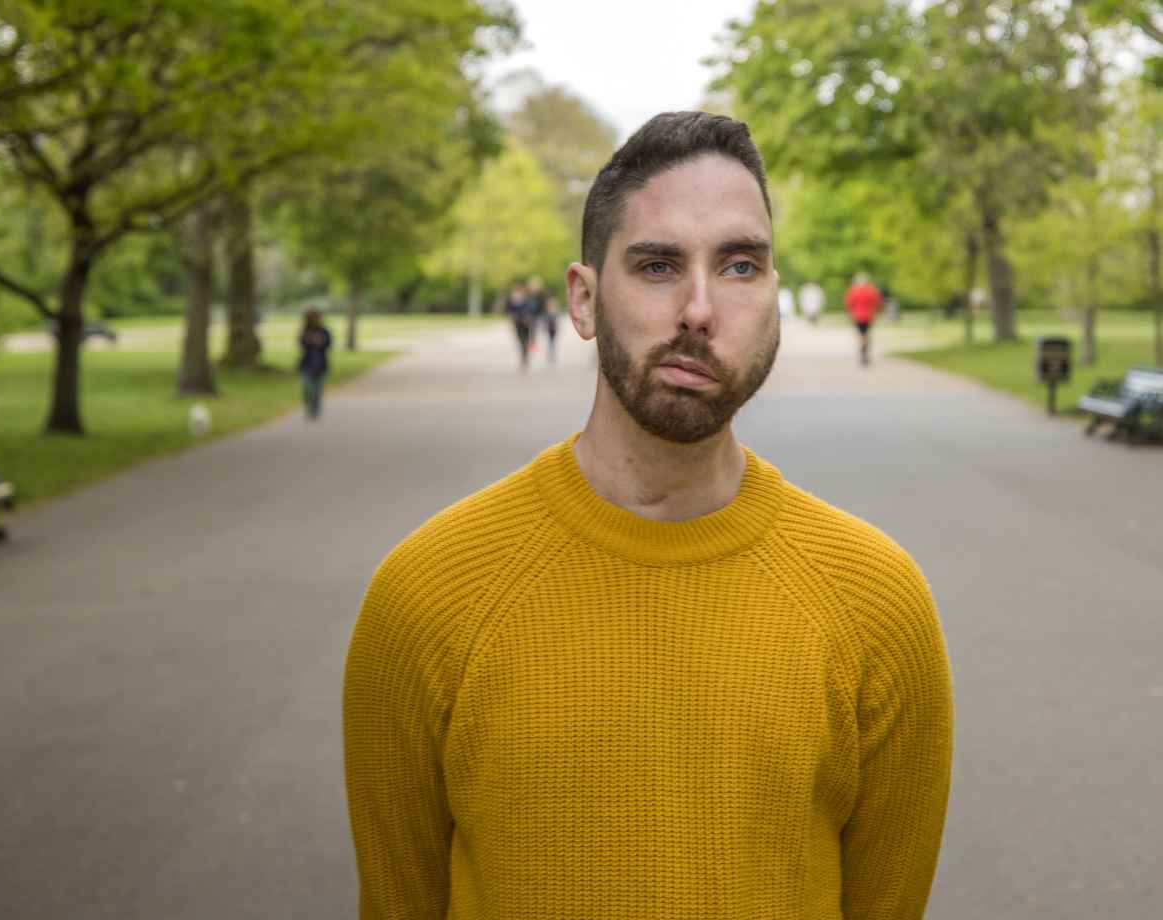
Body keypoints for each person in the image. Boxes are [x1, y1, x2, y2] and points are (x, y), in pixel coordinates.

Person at [344, 112, 952, 919]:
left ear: (772, 298)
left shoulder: (876, 599)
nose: (699, 310)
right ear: (585, 299)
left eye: (739, 266)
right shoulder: (427, 593)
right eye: (658, 266)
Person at [297, 308, 331, 419]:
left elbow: (328, 344)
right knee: (306, 388)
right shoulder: (304, 330)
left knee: (317, 389)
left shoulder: (324, 331)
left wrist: (319, 342)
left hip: (321, 364)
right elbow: (301, 344)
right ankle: (308, 407)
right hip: (306, 363)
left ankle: (315, 411)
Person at [844, 273, 883, 366]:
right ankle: (864, 349)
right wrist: (878, 312)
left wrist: (849, 313)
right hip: (869, 316)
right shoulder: (872, 290)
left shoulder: (853, 291)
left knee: (861, 334)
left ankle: (863, 349)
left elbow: (848, 303)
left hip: (857, 316)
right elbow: (878, 302)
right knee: (866, 333)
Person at [506, 282, 533, 369]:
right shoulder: (512, 301)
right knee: (520, 341)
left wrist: (528, 318)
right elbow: (509, 312)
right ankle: (523, 355)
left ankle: (525, 356)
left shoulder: (526, 301)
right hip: (517, 324)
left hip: (526, 324)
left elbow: (530, 311)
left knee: (526, 340)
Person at [542, 295, 561, 363]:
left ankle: (552, 353)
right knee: (551, 342)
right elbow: (545, 321)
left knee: (552, 341)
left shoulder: (555, 312)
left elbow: (557, 321)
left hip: (553, 329)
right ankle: (551, 353)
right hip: (549, 329)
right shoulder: (546, 313)